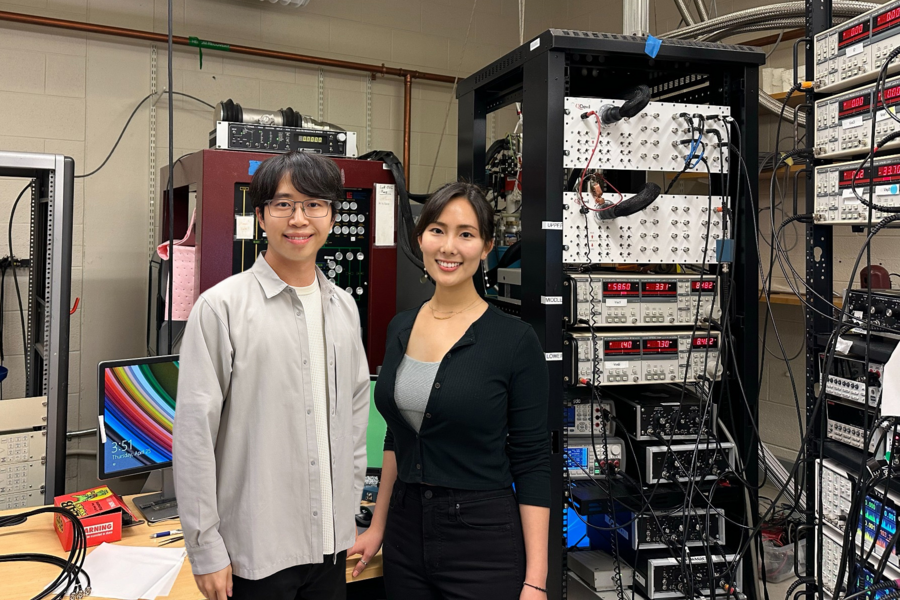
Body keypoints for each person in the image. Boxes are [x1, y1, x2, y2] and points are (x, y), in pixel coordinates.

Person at [173, 151, 370, 600]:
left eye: (313, 204)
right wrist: (205, 548)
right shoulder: (221, 308)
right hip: (255, 554)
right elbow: (193, 435)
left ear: (332, 216)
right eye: (283, 204)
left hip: (331, 548)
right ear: (261, 215)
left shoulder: (343, 308)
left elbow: (355, 420)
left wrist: (348, 506)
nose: (299, 218)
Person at [349, 182, 551, 599]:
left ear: (486, 246)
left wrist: (536, 580)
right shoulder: (401, 326)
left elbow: (532, 461)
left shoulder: (514, 340)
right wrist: (379, 527)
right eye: (438, 230)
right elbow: (396, 439)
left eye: (466, 234)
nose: (449, 247)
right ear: (420, 237)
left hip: (482, 543)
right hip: (406, 537)